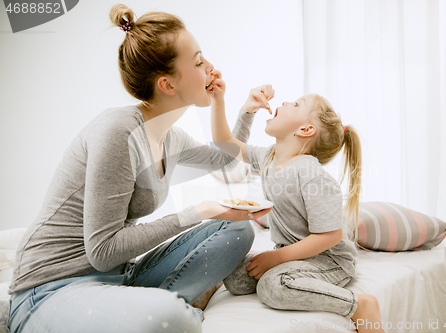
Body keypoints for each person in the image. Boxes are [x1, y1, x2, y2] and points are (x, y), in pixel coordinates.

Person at [7, 4, 272, 333]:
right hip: (51, 289)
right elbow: (103, 251)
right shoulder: (118, 132)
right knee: (169, 319)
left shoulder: (169, 136)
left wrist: (239, 108)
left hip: (118, 277)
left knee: (237, 230)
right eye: (199, 61)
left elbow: (224, 157)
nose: (211, 67)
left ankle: (142, 303)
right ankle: (177, 308)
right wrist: (197, 211)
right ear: (167, 84)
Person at [208, 79, 385, 332]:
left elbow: (330, 236)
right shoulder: (268, 157)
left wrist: (276, 258)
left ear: (305, 130)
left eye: (295, 104)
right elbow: (226, 144)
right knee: (234, 277)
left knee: (273, 285)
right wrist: (236, 106)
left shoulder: (311, 174)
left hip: (329, 261)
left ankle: (359, 305)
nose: (283, 102)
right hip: (293, 253)